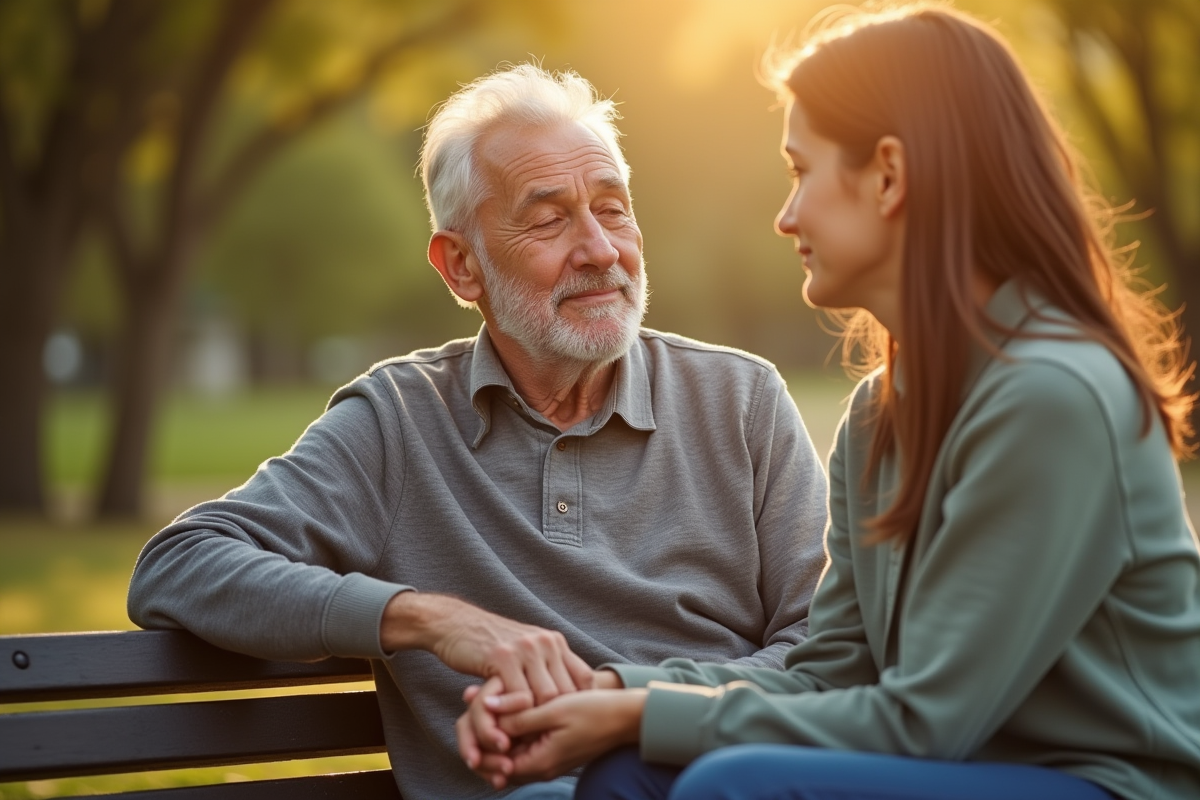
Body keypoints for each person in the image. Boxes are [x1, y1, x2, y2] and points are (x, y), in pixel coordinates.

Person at [459, 7, 1200, 799]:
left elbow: (927, 723)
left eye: (800, 172)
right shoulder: (883, 413)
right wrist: (615, 698)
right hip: (965, 770)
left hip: (1106, 785)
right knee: (624, 778)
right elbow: (830, 676)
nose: (786, 216)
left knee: (731, 785)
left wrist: (641, 714)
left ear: (888, 175)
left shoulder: (1055, 396)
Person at [125, 64, 830, 800]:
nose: (599, 249)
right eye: (549, 217)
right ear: (462, 265)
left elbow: (829, 655)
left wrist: (627, 699)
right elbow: (179, 565)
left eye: (613, 209)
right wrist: (425, 619)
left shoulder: (741, 399)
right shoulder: (400, 420)